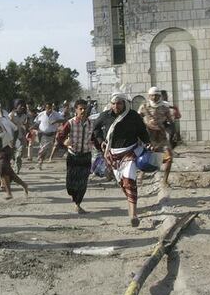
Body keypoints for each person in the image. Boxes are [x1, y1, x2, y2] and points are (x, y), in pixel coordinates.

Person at [92, 93, 150, 228]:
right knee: (123, 183)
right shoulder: (105, 116)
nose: (116, 106)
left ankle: (133, 214)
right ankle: (131, 204)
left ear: (124, 104)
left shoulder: (133, 116)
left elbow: (142, 132)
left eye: (119, 103)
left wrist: (148, 143)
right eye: (113, 103)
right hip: (112, 155)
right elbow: (95, 129)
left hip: (130, 152)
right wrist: (101, 141)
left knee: (129, 180)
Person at [56, 99, 93, 214]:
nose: (83, 111)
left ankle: (78, 203)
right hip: (73, 156)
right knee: (71, 182)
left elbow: (95, 138)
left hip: (86, 156)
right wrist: (64, 142)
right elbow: (59, 137)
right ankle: (74, 196)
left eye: (84, 108)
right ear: (76, 110)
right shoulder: (70, 123)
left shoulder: (91, 124)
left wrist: (102, 147)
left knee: (83, 181)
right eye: (80, 108)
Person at [138, 87, 175, 187]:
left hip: (161, 136)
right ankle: (141, 175)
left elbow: (171, 122)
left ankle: (165, 181)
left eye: (156, 95)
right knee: (147, 156)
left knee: (169, 157)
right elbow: (137, 120)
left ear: (160, 96)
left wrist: (173, 132)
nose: (154, 97)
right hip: (148, 136)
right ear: (149, 96)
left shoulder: (164, 107)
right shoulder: (144, 107)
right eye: (152, 95)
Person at [33, 102, 64, 167]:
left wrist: (55, 121)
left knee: (45, 148)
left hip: (51, 135)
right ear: (45, 108)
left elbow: (63, 120)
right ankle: (40, 162)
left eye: (50, 108)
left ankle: (40, 157)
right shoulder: (41, 114)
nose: (49, 109)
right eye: (48, 108)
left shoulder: (56, 114)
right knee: (43, 148)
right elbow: (36, 123)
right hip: (42, 134)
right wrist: (31, 128)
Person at [8, 99, 32, 172]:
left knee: (19, 154)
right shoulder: (11, 115)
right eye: (20, 106)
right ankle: (14, 164)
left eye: (23, 106)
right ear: (16, 106)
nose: (22, 108)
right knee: (13, 155)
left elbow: (26, 126)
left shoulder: (25, 116)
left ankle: (17, 169)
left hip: (21, 137)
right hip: (12, 138)